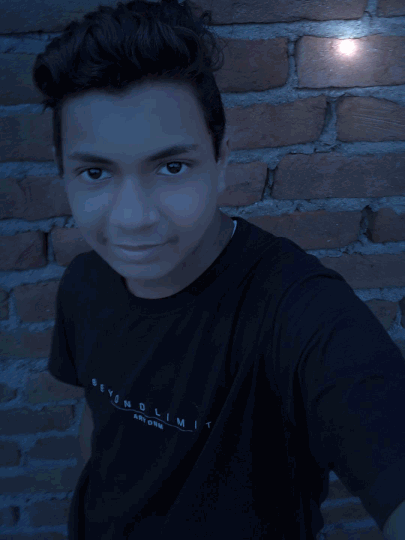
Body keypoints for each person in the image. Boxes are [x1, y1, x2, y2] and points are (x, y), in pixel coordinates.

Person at [34, 1, 405, 539]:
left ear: (222, 158)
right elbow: (100, 422)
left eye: (172, 166)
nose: (133, 219)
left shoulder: (298, 313)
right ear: (63, 172)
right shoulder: (83, 283)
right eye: (95, 173)